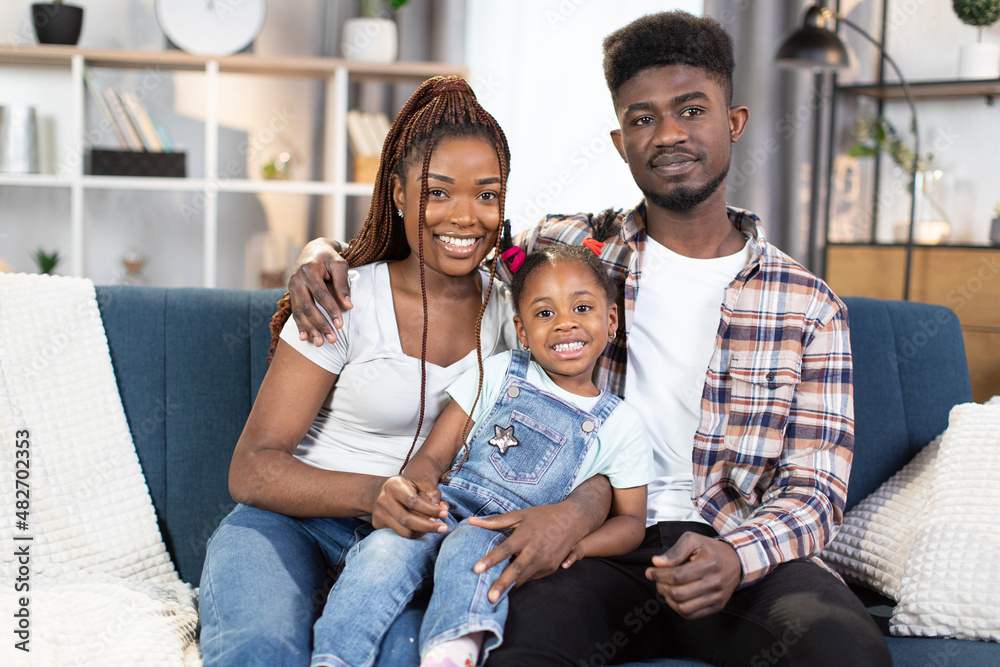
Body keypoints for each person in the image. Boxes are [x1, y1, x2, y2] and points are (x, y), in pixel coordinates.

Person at [284, 11, 893, 667]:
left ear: (734, 121)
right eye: (642, 118)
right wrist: (326, 252)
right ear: (619, 139)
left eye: (691, 110)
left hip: (732, 546)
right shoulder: (570, 250)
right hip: (592, 542)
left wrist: (736, 554)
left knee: (848, 653)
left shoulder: (807, 304)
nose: (668, 135)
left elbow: (815, 490)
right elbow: (450, 248)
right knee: (512, 653)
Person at [198, 76, 613, 667]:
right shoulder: (340, 296)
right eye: (438, 193)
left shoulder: (521, 317)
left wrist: (580, 508)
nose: (465, 217)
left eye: (486, 195)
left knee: (404, 654)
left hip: (408, 546)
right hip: (289, 523)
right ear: (397, 193)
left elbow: (593, 427)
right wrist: (373, 495)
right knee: (263, 648)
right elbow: (252, 468)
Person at [312, 244, 652, 667]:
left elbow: (631, 523)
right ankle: (335, 657)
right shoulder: (499, 370)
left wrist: (577, 547)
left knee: (471, 545)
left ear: (611, 319)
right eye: (544, 314)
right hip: (446, 507)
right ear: (522, 331)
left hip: (511, 532)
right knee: (383, 548)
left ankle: (453, 651)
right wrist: (416, 489)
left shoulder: (622, 423)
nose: (565, 323)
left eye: (582, 308)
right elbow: (435, 453)